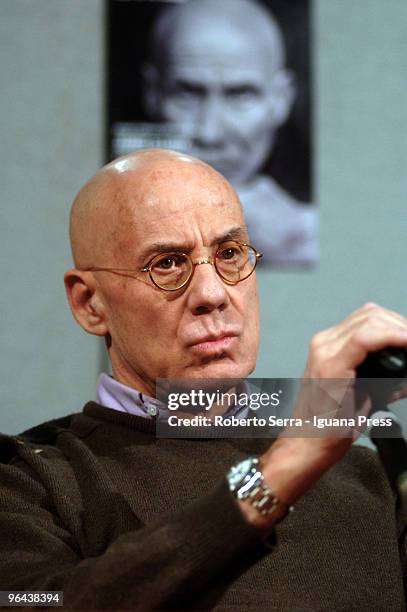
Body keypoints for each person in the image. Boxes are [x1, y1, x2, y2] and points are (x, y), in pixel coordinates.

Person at [0, 149, 406, 610]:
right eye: (168, 264)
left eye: (229, 253)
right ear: (90, 303)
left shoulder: (367, 476)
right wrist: (285, 468)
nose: (213, 294)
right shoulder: (29, 478)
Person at [141, 0, 317, 266]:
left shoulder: (315, 237)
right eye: (188, 93)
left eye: (240, 95)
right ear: (153, 93)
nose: (210, 133)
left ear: (281, 98)